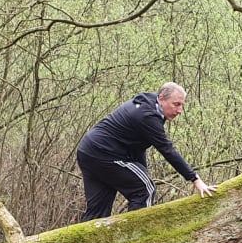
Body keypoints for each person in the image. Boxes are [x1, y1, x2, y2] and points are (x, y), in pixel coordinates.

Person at [76, 82, 217, 221]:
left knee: (97, 213)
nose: (179, 110)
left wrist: (143, 171)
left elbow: (139, 147)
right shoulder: (147, 116)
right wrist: (196, 180)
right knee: (145, 189)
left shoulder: (149, 104)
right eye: (176, 104)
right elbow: (167, 150)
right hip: (104, 153)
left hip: (88, 151)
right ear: (161, 99)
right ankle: (136, 238)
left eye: (182, 105)